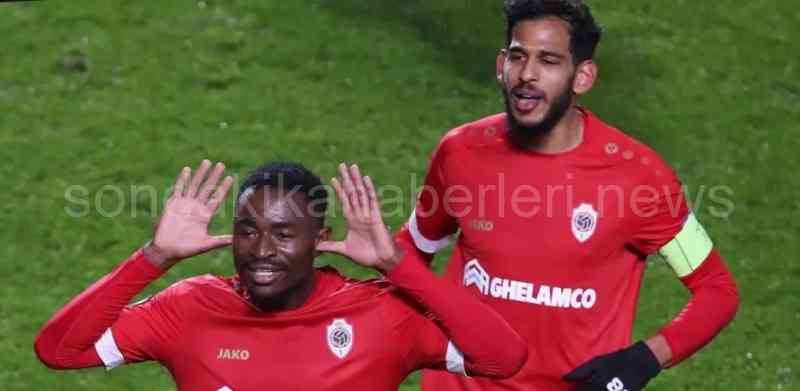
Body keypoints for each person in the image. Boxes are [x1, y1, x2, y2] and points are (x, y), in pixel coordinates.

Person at [394, 1, 740, 390]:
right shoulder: (461, 152)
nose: (527, 74)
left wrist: (645, 358)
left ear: (583, 77)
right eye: (517, 56)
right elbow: (413, 247)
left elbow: (717, 290)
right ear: (500, 65)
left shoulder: (640, 178)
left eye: (549, 61)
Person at [35, 160, 527, 391]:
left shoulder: (381, 316)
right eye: (247, 231)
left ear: (320, 238)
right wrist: (154, 256)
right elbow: (58, 351)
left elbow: (504, 358)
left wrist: (397, 267)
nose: (262, 251)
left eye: (285, 233)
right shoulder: (187, 310)